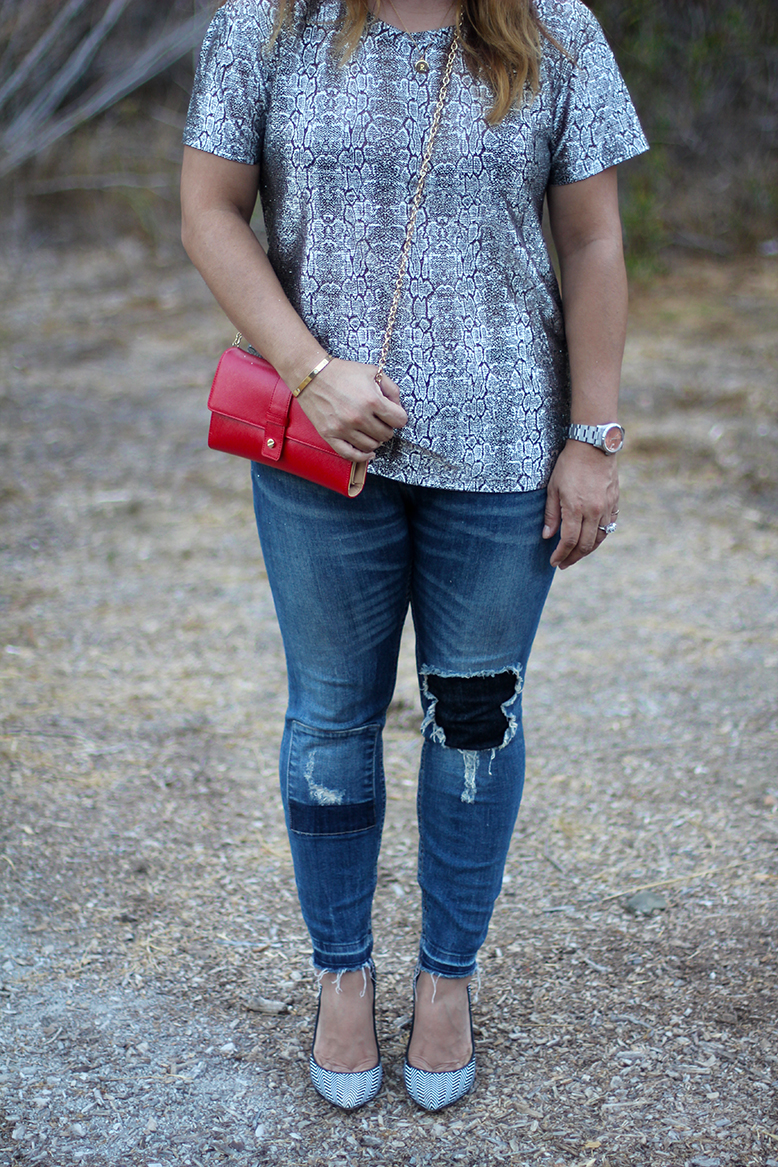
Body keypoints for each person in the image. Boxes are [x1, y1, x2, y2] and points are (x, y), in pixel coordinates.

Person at [180, 0, 648, 1112]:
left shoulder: (554, 27)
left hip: (500, 451)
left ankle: (449, 979)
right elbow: (209, 211)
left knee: (476, 714)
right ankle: (342, 976)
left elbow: (592, 237)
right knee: (332, 714)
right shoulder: (267, 22)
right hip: (316, 449)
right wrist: (307, 370)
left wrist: (593, 435)